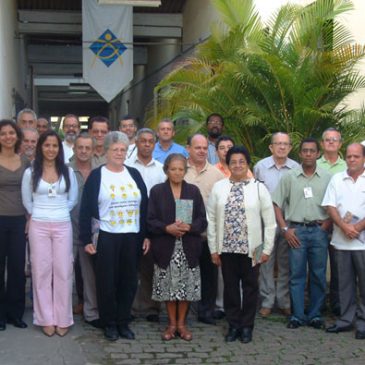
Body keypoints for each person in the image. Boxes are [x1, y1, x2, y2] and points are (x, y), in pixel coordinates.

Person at [79, 131, 149, 341]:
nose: (119, 153)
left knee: (128, 281)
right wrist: (86, 239)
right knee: (106, 281)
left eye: (123, 150)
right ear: (106, 151)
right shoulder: (97, 175)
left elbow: (144, 207)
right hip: (107, 236)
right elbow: (86, 210)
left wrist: (146, 235)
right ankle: (109, 323)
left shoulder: (134, 174)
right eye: (115, 149)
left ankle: (123, 321)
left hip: (132, 236)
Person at [207, 146, 276, 343]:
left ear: (247, 164)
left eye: (241, 162)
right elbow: (211, 219)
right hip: (226, 248)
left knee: (250, 288)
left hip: (252, 249)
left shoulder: (258, 188)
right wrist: (213, 249)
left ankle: (247, 326)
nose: (237, 165)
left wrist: (267, 249)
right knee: (230, 288)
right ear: (227, 165)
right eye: (233, 162)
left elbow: (269, 223)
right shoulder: (219, 187)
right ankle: (234, 325)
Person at [21, 130, 78, 337]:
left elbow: (72, 199)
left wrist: (60, 211)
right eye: (47, 145)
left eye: (54, 145)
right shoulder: (30, 172)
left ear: (59, 149)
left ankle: (63, 318)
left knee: (63, 271)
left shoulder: (68, 172)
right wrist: (39, 214)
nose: (51, 149)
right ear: (40, 147)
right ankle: (45, 318)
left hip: (63, 224)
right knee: (41, 271)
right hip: (39, 224)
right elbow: (27, 201)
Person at [272, 137, 332, 329]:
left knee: (318, 274)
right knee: (296, 275)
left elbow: (335, 205)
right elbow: (276, 204)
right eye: (304, 150)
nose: (308, 154)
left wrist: (327, 224)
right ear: (300, 153)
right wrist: (285, 229)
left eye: (312, 151)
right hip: (296, 232)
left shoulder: (327, 177)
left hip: (318, 232)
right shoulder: (289, 177)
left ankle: (314, 314)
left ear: (318, 154)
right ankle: (297, 315)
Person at [148, 153, 207, 341]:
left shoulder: (193, 191)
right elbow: (150, 221)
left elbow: (202, 220)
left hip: (188, 247)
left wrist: (190, 227)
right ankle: (171, 324)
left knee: (185, 288)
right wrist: (167, 228)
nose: (177, 172)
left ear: (185, 171)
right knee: (168, 288)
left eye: (181, 169)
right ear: (166, 170)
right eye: (173, 169)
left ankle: (182, 324)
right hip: (166, 248)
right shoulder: (157, 191)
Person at [254, 132, 299, 318]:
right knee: (264, 261)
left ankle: (284, 301)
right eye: (278, 144)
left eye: (285, 144)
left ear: (289, 148)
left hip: (288, 223)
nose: (281, 147)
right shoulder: (260, 167)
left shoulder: (296, 168)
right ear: (271, 147)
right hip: (264, 223)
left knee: (285, 263)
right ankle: (266, 301)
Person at [323, 143, 365, 340]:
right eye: (349, 156)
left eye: (356, 156)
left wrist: (357, 227)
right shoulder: (337, 178)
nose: (352, 159)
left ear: (363, 158)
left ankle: (363, 322)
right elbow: (330, 206)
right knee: (344, 284)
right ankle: (346, 320)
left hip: (363, 242)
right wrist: (343, 226)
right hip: (341, 241)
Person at [126, 128, 166, 322]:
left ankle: (151, 307)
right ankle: (131, 307)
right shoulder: (125, 167)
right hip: (130, 223)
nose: (147, 144)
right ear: (137, 143)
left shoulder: (161, 169)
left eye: (151, 141)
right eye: (143, 141)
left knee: (151, 268)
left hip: (154, 225)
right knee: (130, 268)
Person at [184, 134, 225, 325]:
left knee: (209, 275)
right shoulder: (179, 169)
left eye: (204, 148)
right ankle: (183, 312)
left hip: (209, 234)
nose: (201, 151)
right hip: (184, 233)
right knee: (186, 273)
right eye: (197, 147)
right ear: (188, 148)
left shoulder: (217, 174)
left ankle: (206, 311)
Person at [0, 120, 30, 331]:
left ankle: (15, 313)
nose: (8, 137)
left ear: (17, 136)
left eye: (11, 133)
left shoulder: (25, 161)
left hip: (20, 220)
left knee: (18, 269)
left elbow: (31, 192)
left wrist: (30, 218)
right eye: (3, 134)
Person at [69, 133, 100, 328]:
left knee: (90, 274)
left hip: (93, 232)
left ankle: (91, 311)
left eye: (87, 148)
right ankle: (61, 311)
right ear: (74, 149)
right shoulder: (65, 170)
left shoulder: (101, 171)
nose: (83, 151)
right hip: (69, 228)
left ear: (94, 149)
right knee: (64, 273)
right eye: (80, 147)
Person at [317, 127, 347, 316]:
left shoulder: (348, 166)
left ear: (340, 144)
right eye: (327, 139)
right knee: (317, 267)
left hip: (339, 225)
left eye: (334, 140)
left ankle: (337, 303)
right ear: (322, 143)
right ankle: (317, 304)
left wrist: (332, 220)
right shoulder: (313, 164)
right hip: (316, 225)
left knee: (338, 268)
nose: (331, 142)